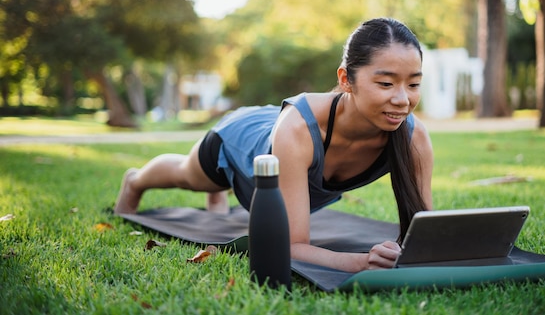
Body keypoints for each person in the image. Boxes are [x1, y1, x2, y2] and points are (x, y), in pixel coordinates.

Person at [114, 17, 434, 273]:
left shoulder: (412, 136)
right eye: (386, 83)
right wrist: (359, 262)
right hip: (241, 139)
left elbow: (426, 230)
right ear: (345, 80)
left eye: (414, 83)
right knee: (188, 175)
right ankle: (135, 180)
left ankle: (216, 197)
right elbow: (291, 246)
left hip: (280, 146)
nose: (402, 99)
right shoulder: (298, 130)